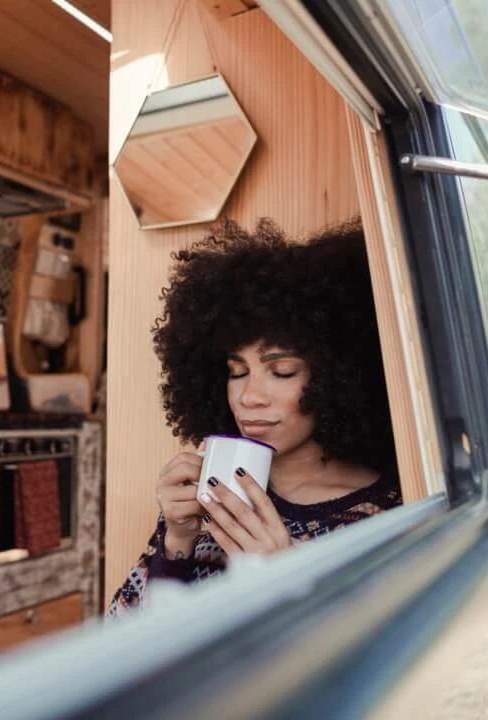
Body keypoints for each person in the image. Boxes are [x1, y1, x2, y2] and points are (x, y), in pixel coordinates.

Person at [107, 218, 402, 616]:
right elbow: (125, 640)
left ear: (339, 378)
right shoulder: (209, 499)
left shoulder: (387, 515)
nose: (249, 397)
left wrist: (288, 580)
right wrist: (176, 541)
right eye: (237, 372)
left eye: (281, 372)